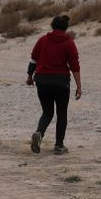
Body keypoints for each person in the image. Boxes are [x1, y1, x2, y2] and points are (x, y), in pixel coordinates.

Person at [26, 14, 82, 155]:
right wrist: (79, 86)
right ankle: (59, 145)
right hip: (61, 82)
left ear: (52, 25)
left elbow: (33, 59)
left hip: (42, 80)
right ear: (66, 27)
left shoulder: (43, 40)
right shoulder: (69, 42)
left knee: (47, 112)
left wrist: (29, 76)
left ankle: (39, 133)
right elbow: (75, 66)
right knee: (61, 113)